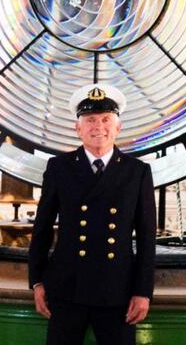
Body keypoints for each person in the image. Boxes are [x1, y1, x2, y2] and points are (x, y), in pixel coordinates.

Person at [28, 84, 156, 345]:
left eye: (106, 119)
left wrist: (143, 292)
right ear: (78, 128)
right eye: (90, 120)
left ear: (118, 127)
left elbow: (146, 238)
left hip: (117, 292)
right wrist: (37, 282)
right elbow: (41, 229)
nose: (98, 127)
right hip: (65, 289)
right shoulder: (58, 168)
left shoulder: (137, 172)